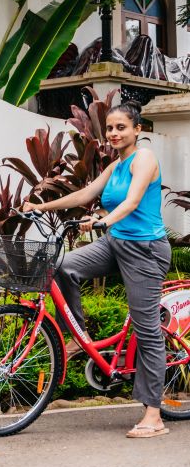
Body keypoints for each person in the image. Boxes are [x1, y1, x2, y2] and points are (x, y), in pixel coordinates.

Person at [23, 100, 171, 439]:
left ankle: (153, 414)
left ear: (138, 129)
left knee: (146, 328)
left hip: (145, 250)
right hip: (115, 244)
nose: (114, 133)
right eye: (110, 128)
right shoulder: (115, 165)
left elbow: (133, 201)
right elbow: (85, 193)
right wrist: (39, 206)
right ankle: (80, 337)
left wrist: (103, 221)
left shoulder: (144, 159)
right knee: (60, 267)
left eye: (122, 127)